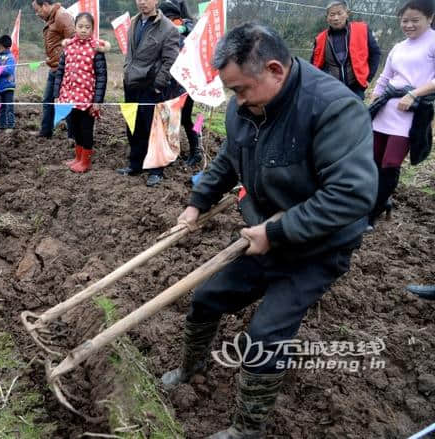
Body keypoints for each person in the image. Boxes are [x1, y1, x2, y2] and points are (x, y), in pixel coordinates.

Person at [161, 23, 377, 438]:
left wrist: (276, 234)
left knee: (264, 334)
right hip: (265, 232)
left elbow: (352, 196)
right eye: (231, 91)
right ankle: (193, 366)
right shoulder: (245, 105)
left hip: (319, 246)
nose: (236, 101)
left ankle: (248, 429)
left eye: (241, 89)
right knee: (207, 296)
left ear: (275, 70)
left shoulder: (332, 108)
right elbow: (229, 158)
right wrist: (196, 204)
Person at [368, 0, 435, 229]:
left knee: (390, 163)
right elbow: (385, 78)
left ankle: (373, 212)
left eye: (414, 20)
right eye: (404, 21)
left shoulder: (433, 43)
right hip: (385, 112)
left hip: (410, 115)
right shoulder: (399, 47)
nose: (408, 25)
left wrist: (415, 94)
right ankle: (375, 201)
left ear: (430, 18)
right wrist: (374, 99)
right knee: (373, 161)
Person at [118, 0, 180, 187]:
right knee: (133, 127)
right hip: (131, 83)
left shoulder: (168, 28)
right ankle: (135, 164)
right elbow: (130, 52)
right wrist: (126, 70)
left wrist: (158, 85)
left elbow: (171, 60)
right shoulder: (134, 22)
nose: (142, 2)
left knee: (154, 129)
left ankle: (156, 170)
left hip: (150, 86)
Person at [52, 13, 109, 173]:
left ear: (92, 29)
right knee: (74, 128)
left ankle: (85, 161)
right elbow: (60, 71)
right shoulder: (68, 47)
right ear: (75, 27)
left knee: (85, 130)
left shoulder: (96, 49)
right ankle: (77, 157)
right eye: (80, 26)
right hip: (68, 96)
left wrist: (97, 100)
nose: (84, 30)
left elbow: (102, 76)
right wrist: (57, 94)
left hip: (87, 98)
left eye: (87, 27)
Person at [158, 0, 201, 166]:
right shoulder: (176, 28)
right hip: (177, 84)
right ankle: (187, 150)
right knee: (180, 119)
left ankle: (194, 151)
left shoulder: (183, 29)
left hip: (183, 85)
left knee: (181, 119)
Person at [311, 0, 381, 99]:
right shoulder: (320, 39)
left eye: (339, 13)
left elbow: (375, 54)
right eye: (332, 14)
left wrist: (368, 79)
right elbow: (314, 65)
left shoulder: (362, 30)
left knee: (355, 114)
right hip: (330, 90)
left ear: (347, 13)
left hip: (356, 89)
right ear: (327, 18)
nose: (336, 18)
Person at [31, 0, 75, 139]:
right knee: (48, 100)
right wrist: (52, 57)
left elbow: (73, 42)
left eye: (37, 10)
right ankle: (45, 132)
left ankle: (73, 136)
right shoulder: (52, 18)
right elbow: (56, 44)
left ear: (45, 5)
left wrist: (62, 60)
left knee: (65, 102)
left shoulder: (62, 16)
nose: (37, 14)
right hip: (54, 67)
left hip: (64, 68)